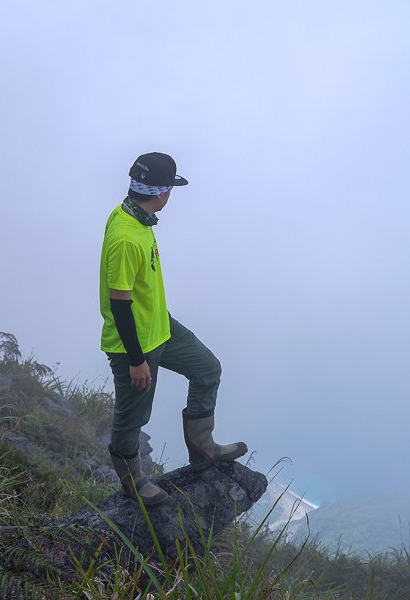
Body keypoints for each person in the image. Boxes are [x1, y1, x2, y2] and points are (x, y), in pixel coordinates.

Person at [99, 151, 247, 507]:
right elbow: (119, 304)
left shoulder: (138, 219)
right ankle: (132, 481)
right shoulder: (126, 236)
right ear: (162, 193)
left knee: (208, 369)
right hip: (133, 343)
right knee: (132, 416)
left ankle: (203, 448)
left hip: (161, 327)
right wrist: (136, 360)